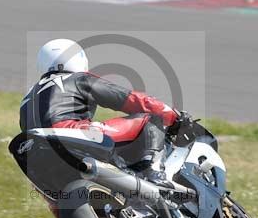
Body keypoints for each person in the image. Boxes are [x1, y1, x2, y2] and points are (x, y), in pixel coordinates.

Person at [20, 38, 179, 186]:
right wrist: (172, 116)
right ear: (79, 59)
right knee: (151, 118)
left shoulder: (27, 97)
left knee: (59, 199)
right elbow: (130, 99)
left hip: (36, 152)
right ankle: (154, 172)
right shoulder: (78, 78)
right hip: (72, 133)